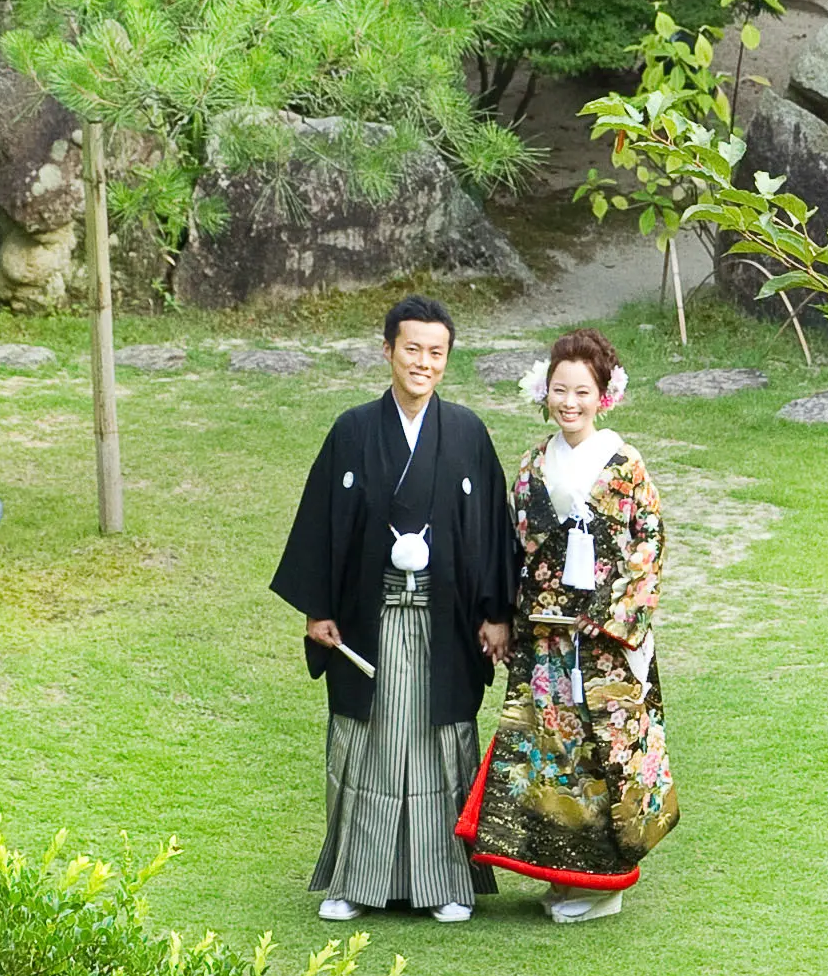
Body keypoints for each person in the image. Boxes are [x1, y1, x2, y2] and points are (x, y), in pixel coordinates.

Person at [271, 293, 515, 923]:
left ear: (447, 359)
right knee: (367, 743)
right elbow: (321, 522)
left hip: (445, 621)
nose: (423, 363)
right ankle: (355, 880)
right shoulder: (353, 431)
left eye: (436, 352)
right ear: (387, 351)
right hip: (368, 619)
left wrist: (496, 614)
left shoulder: (466, 433)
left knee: (440, 741)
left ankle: (445, 883)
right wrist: (317, 608)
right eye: (412, 349)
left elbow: (492, 530)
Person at [464, 326, 672, 923]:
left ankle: (605, 883)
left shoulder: (625, 464)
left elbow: (649, 543)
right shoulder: (533, 465)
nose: (570, 402)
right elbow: (514, 548)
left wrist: (607, 615)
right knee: (551, 753)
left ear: (604, 395)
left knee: (603, 755)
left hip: (602, 641)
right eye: (560, 390)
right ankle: (563, 874)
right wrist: (509, 616)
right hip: (546, 637)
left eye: (582, 391)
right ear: (545, 392)